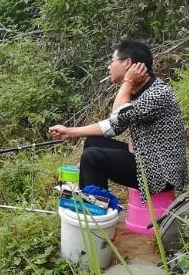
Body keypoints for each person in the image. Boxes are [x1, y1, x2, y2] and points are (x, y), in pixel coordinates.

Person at [49, 40, 186, 200]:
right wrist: (70, 132)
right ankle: (88, 198)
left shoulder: (157, 94)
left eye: (112, 61)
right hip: (145, 158)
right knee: (93, 143)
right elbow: (113, 126)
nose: (109, 66)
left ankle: (96, 208)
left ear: (127, 63)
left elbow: (117, 118)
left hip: (161, 172)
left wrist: (127, 82)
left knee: (92, 157)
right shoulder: (142, 90)